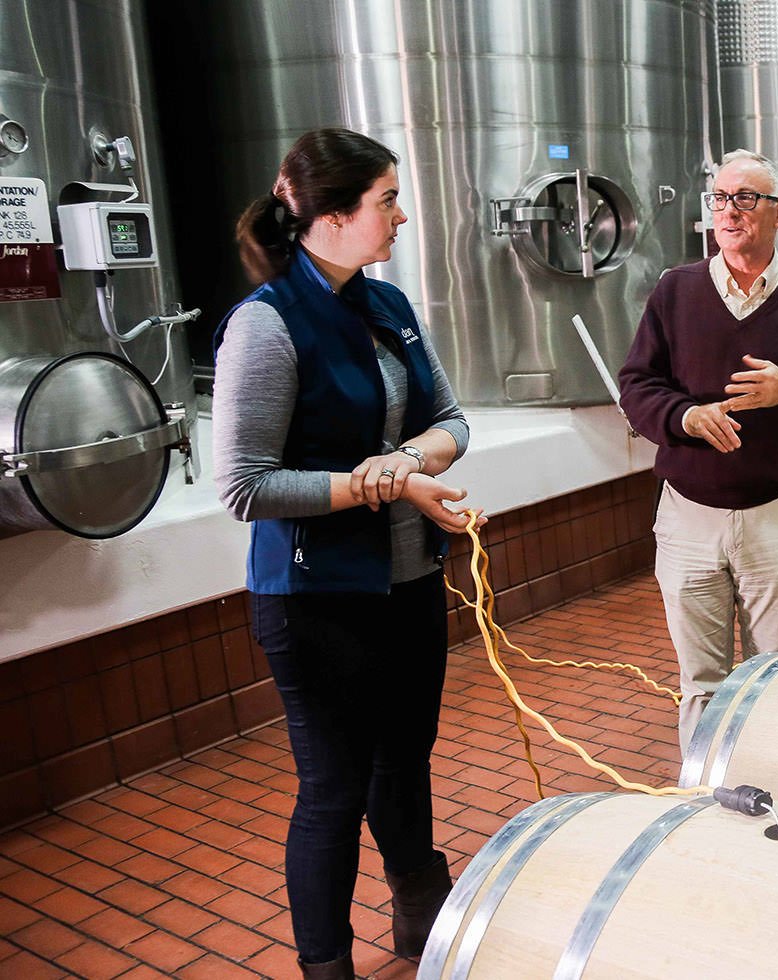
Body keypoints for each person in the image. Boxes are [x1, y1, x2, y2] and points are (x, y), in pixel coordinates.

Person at [213, 128, 483, 980]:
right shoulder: (265, 326)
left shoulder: (388, 306)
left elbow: (453, 422)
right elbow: (246, 488)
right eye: (387, 201)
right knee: (333, 792)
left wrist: (408, 462)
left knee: (403, 765)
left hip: (406, 585)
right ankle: (325, 966)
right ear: (330, 217)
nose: (401, 217)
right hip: (314, 600)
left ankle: (419, 926)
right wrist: (379, 487)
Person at [618, 149, 778, 756]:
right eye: (720, 199)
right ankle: (704, 791)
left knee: (770, 674)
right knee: (701, 682)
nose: (729, 212)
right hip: (687, 515)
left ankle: (767, 788)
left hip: (774, 514)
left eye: (745, 199)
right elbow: (638, 386)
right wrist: (683, 416)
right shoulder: (676, 291)